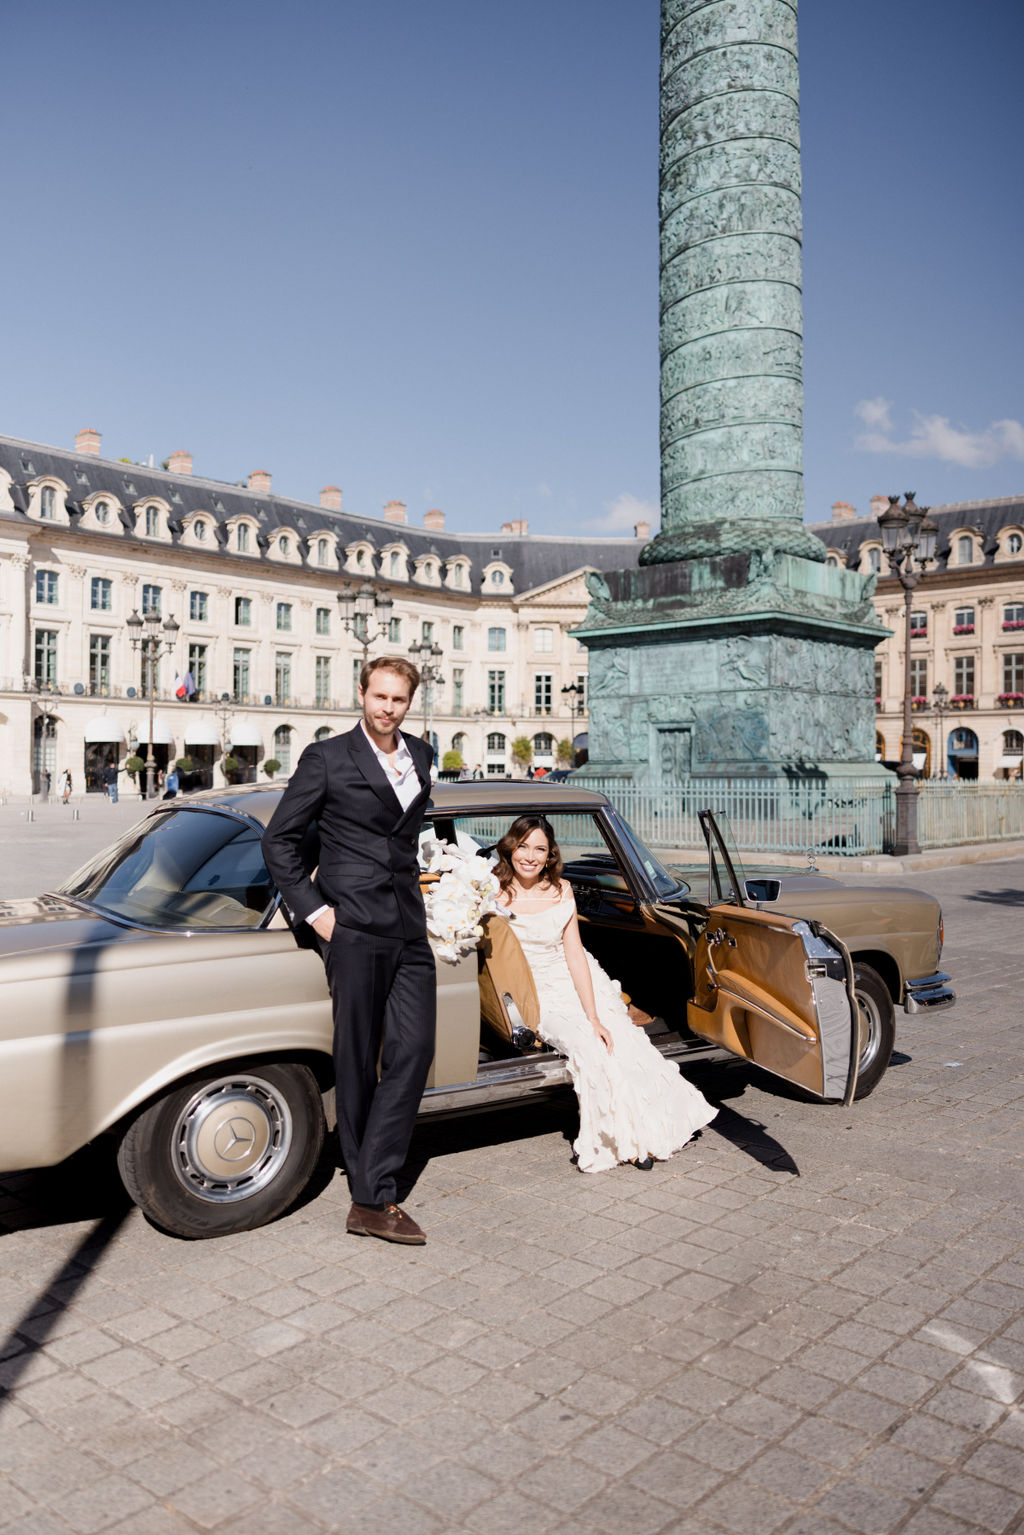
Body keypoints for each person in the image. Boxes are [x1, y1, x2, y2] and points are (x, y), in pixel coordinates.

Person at [262, 657, 436, 1244]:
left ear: (409, 702)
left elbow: (405, 840)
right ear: (361, 694)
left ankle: (369, 1169)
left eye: (398, 700)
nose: (388, 708)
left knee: (413, 1050)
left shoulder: (422, 755)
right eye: (379, 697)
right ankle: (371, 1196)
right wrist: (317, 913)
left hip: (410, 927)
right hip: (354, 927)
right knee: (358, 1059)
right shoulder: (328, 758)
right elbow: (280, 839)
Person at [494, 814, 716, 1172]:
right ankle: (621, 1140)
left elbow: (574, 955)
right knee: (589, 1049)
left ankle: (643, 1136)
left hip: (575, 980)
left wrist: (594, 1014)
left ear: (550, 855)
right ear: (510, 847)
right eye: (523, 846)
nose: (530, 856)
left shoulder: (562, 889)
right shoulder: (492, 890)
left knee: (620, 1041)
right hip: (531, 991)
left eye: (540, 849)